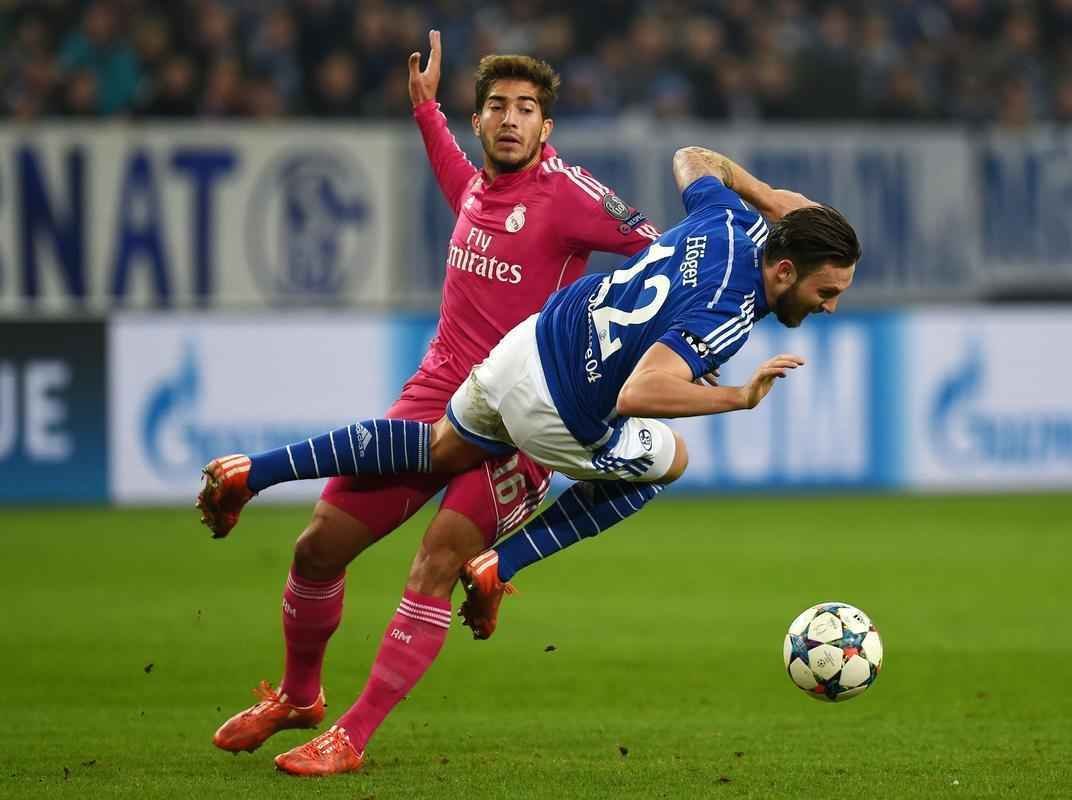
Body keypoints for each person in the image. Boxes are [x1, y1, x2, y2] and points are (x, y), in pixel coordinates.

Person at [208, 144, 860, 773]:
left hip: (529, 343)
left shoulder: (731, 217)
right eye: (826, 292)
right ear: (783, 272)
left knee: (438, 446)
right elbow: (641, 390)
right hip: (560, 414)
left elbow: (693, 155)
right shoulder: (730, 312)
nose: (829, 307)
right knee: (672, 461)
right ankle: (493, 576)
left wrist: (767, 195)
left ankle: (252, 472)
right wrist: (735, 397)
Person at [197, 30, 660, 776]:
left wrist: (607, 350)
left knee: (435, 564)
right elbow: (451, 170)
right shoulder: (476, 184)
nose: (511, 119)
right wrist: (424, 112)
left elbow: (660, 258)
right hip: (438, 395)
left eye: (528, 109)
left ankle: (351, 736)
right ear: (478, 122)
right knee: (317, 547)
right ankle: (298, 697)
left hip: (523, 417)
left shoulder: (573, 196)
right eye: (498, 108)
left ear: (548, 127)